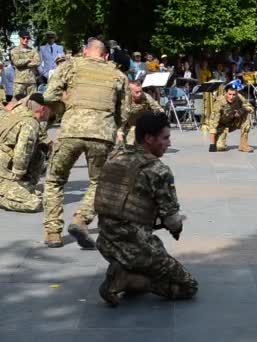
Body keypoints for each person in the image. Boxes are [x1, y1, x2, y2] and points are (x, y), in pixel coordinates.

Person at [95, 112, 197, 307]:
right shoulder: (158, 170)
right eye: (165, 138)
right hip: (136, 246)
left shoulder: (116, 155)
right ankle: (125, 279)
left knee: (147, 262)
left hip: (106, 241)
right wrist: (176, 229)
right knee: (189, 287)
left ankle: (125, 271)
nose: (168, 143)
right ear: (149, 138)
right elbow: (171, 219)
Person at [42, 39, 129, 249]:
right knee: (99, 181)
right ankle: (81, 219)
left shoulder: (70, 65)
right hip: (102, 134)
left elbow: (48, 95)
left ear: (85, 51)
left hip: (71, 130)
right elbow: (124, 113)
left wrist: (66, 109)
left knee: (54, 180)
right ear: (106, 56)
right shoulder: (117, 74)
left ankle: (53, 233)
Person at [0, 93, 50, 213]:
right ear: (43, 109)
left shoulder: (17, 112)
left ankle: (16, 187)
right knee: (35, 204)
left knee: (40, 151)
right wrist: (18, 175)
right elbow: (22, 153)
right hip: (4, 174)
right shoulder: (30, 123)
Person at [208, 83, 254, 153]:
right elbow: (213, 122)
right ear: (225, 93)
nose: (231, 97)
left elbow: (250, 107)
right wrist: (212, 144)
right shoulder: (219, 102)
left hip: (233, 122)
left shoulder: (239, 97)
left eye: (234, 94)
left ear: (236, 93)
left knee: (246, 115)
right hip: (221, 126)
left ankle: (243, 145)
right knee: (220, 148)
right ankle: (219, 139)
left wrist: (243, 109)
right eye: (229, 94)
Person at [119, 81, 165, 146]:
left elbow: (158, 109)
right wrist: (119, 132)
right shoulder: (123, 99)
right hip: (122, 124)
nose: (140, 94)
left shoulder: (145, 96)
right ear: (129, 91)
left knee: (131, 143)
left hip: (137, 124)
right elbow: (119, 118)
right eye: (137, 92)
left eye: (140, 91)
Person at [10, 31, 41, 96]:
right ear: (20, 38)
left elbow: (38, 62)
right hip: (19, 82)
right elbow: (17, 63)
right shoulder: (14, 51)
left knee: (33, 102)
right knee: (18, 102)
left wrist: (23, 64)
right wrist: (29, 59)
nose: (26, 40)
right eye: (23, 38)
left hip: (31, 82)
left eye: (28, 38)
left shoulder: (33, 50)